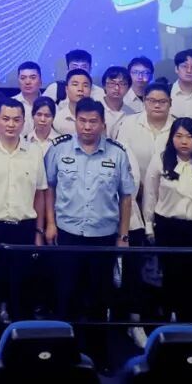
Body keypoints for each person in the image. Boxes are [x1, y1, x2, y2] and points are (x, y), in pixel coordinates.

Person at [44, 98, 133, 370]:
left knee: (99, 299)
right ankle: (63, 356)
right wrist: (50, 223)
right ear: (75, 122)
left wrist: (123, 236)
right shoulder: (58, 149)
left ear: (103, 124)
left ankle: (99, 356)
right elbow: (49, 187)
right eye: (82, 121)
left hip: (103, 237)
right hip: (68, 234)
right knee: (65, 297)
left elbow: (126, 196)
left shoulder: (117, 153)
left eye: (93, 121)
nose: (87, 126)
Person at [0, 100, 47, 338]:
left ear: (24, 122)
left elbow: (40, 194)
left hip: (24, 230)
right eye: (5, 119)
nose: (11, 124)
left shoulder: (34, 153)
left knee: (22, 291)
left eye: (16, 119)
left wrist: (39, 232)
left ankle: (21, 344)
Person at [142, 117, 192, 322]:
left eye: (189, 136)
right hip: (167, 227)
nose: (183, 141)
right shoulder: (161, 159)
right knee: (168, 277)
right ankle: (164, 322)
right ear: (171, 138)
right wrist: (148, 225)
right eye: (178, 136)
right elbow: (150, 195)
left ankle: (189, 324)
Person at [114, 80, 174, 182]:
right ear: (144, 101)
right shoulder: (129, 123)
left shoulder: (177, 126)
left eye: (163, 101)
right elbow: (120, 156)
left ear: (170, 103)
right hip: (134, 184)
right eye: (152, 101)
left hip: (168, 186)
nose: (157, 105)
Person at [99, 66, 137, 137]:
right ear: (104, 85)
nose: (116, 88)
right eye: (112, 83)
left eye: (122, 84)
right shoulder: (94, 109)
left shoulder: (132, 114)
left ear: (128, 88)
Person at [51, 69, 92, 135]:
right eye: (75, 84)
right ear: (66, 89)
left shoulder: (100, 117)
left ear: (90, 90)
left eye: (85, 85)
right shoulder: (58, 119)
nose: (80, 89)